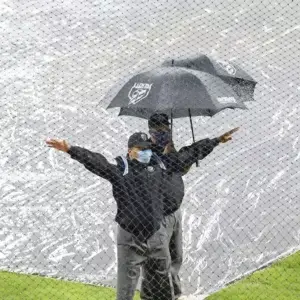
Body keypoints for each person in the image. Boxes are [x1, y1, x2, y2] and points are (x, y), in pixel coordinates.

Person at [46, 132, 179, 300]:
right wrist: (70, 149)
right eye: (141, 149)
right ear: (130, 151)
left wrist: (215, 141)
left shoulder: (158, 166)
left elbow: (183, 160)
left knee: (163, 288)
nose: (146, 152)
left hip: (157, 236)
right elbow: (97, 163)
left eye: (148, 149)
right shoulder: (121, 169)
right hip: (130, 238)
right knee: (125, 291)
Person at [141, 113, 239, 299]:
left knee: (175, 259)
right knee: (157, 262)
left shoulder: (169, 151)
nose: (163, 134)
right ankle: (152, 297)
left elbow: (183, 162)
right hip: (156, 219)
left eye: (166, 130)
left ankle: (173, 295)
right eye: (159, 131)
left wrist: (216, 141)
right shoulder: (146, 153)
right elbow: (180, 160)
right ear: (151, 132)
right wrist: (191, 153)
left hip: (174, 214)